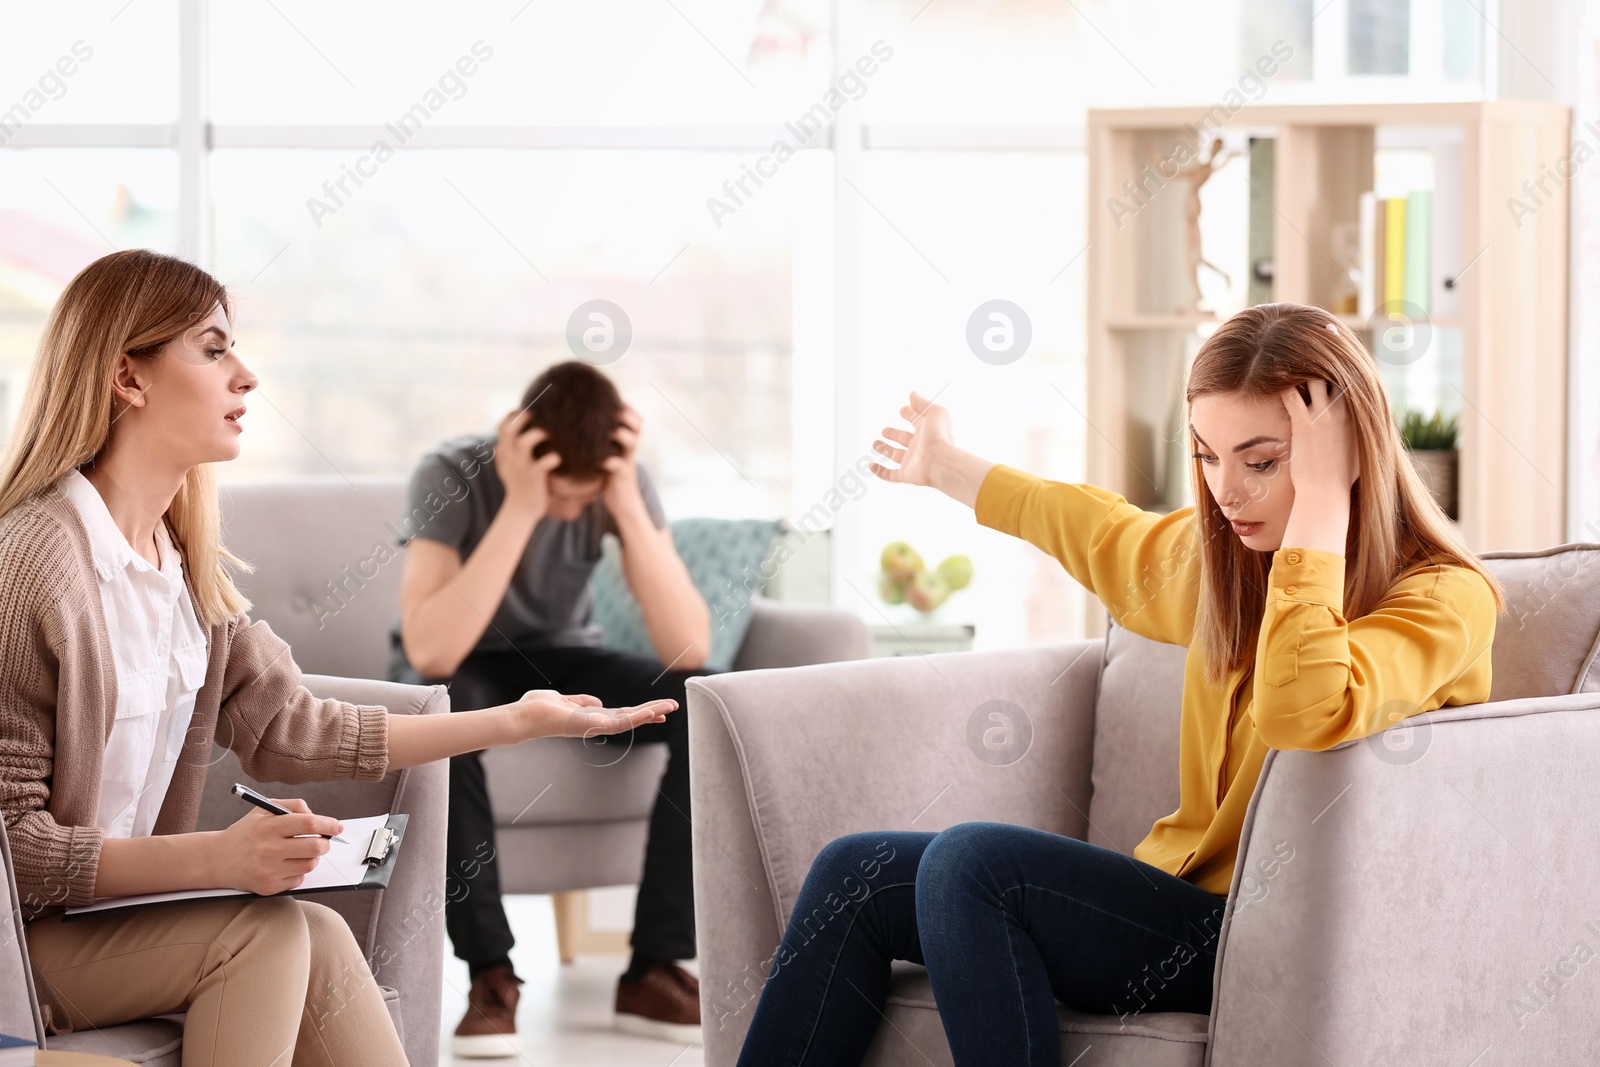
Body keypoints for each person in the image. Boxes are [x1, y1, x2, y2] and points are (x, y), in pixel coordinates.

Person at [734, 302, 1506, 1066]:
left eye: (1264, 461)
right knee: (855, 873)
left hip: (1281, 931)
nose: (1226, 490)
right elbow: (1095, 528)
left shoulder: (1445, 599)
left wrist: (1326, 506)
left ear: (1346, 454)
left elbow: (1304, 704)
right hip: (1174, 903)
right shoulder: (1224, 566)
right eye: (1207, 454)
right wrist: (942, 464)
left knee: (974, 864)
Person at [0, 249, 678, 1067]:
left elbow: (292, 725)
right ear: (128, 378)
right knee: (266, 934)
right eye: (213, 350)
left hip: (103, 928)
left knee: (314, 927)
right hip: (21, 942)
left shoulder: (180, 562)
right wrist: (215, 857)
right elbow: (15, 847)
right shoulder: (36, 561)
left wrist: (517, 720)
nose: (246, 376)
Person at [391, 360, 714, 1053]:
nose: (572, 511)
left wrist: (625, 503)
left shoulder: (618, 479)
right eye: (563, 495)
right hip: (466, 660)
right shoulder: (448, 470)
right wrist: (522, 505)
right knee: (447, 709)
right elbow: (434, 651)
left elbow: (688, 646)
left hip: (563, 654)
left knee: (705, 700)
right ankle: (491, 975)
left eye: (583, 496)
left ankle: (654, 967)